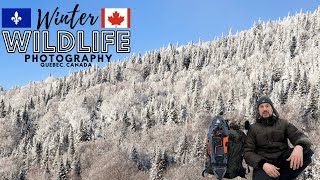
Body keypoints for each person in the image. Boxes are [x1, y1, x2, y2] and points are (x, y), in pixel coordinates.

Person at [243, 96, 314, 180]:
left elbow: (299, 136)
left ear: (272, 108)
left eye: (267, 106)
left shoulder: (283, 123)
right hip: (264, 165)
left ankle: (282, 177)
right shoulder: (253, 128)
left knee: (307, 152)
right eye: (261, 107)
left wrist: (299, 146)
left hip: (283, 160)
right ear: (258, 110)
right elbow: (247, 152)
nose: (264, 109)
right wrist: (263, 164)